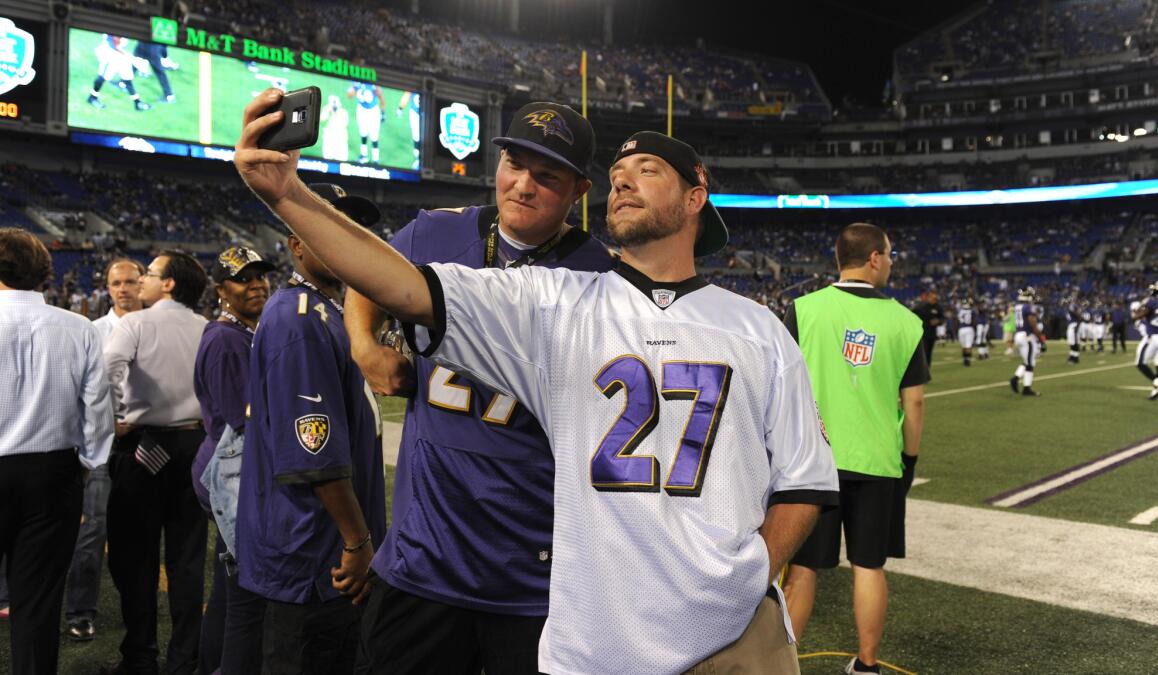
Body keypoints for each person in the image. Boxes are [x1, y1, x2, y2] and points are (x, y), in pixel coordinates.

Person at [235, 88, 839, 675]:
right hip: (491, 576)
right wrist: (286, 194)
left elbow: (805, 475)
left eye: (646, 168)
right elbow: (399, 285)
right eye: (619, 171)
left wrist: (754, 572)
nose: (622, 179)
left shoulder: (753, 326)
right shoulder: (557, 296)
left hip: (583, 582)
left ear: (694, 197)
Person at [346, 102, 615, 674]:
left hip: (533, 568)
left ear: (579, 190)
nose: (522, 185)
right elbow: (363, 274)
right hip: (425, 556)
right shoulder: (437, 231)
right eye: (515, 164)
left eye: (547, 177)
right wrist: (363, 345)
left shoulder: (602, 275)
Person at [236, 184, 386, 674]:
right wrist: (357, 541)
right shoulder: (299, 320)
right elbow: (314, 454)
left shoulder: (329, 311)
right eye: (328, 226)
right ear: (296, 242)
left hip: (326, 553)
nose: (344, 238)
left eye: (351, 227)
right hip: (317, 557)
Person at [780, 223, 928, 675]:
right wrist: (909, 460)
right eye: (890, 253)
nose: (891, 261)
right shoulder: (908, 321)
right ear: (875, 258)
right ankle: (866, 666)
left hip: (812, 461)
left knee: (803, 570)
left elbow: (781, 387)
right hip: (878, 460)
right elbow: (915, 404)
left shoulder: (803, 310)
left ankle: (780, 663)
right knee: (869, 566)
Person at [0, 229, 114, 675]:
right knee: (38, 604)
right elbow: (98, 413)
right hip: (54, 474)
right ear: (45, 272)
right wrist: (86, 465)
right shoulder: (79, 328)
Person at [103, 249, 210, 675]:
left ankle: (140, 658)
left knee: (134, 559)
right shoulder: (206, 327)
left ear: (169, 283)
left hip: (145, 447)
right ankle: (185, 660)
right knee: (187, 560)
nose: (142, 280)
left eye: (149, 273)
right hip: (194, 446)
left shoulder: (135, 323)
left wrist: (114, 419)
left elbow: (107, 367)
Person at [193, 247, 275, 675]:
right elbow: (243, 423)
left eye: (260, 276)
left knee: (228, 593)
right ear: (222, 289)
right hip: (235, 476)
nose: (256, 284)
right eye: (244, 278)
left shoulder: (241, 332)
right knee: (246, 598)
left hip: (233, 473)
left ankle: (209, 665)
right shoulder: (227, 339)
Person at [64, 258, 144, 642]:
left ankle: (140, 615)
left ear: (143, 284)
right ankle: (80, 611)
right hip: (102, 444)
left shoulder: (159, 327)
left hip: (150, 441)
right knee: (93, 530)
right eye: (117, 283)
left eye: (131, 281)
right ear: (107, 287)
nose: (124, 289)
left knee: (146, 531)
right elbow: (77, 389)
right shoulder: (91, 331)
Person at [1132, 281, 1158, 400]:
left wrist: (1138, 308)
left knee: (1140, 363)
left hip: (1153, 337)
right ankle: (1156, 391)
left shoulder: (1152, 302)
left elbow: (1136, 316)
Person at [1010, 287, 1045, 397]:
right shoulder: (1028, 307)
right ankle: (1024, 386)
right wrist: (1041, 340)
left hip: (1019, 335)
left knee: (1028, 361)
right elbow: (1033, 324)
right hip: (1027, 336)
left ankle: (1018, 380)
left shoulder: (1017, 306)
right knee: (1030, 364)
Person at [910, 289, 941, 370]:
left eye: (935, 298)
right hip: (922, 333)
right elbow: (911, 313)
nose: (934, 300)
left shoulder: (937, 307)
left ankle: (927, 370)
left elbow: (942, 317)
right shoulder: (921, 306)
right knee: (923, 353)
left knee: (929, 353)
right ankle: (922, 370)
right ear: (928, 297)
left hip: (932, 334)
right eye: (933, 298)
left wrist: (938, 321)